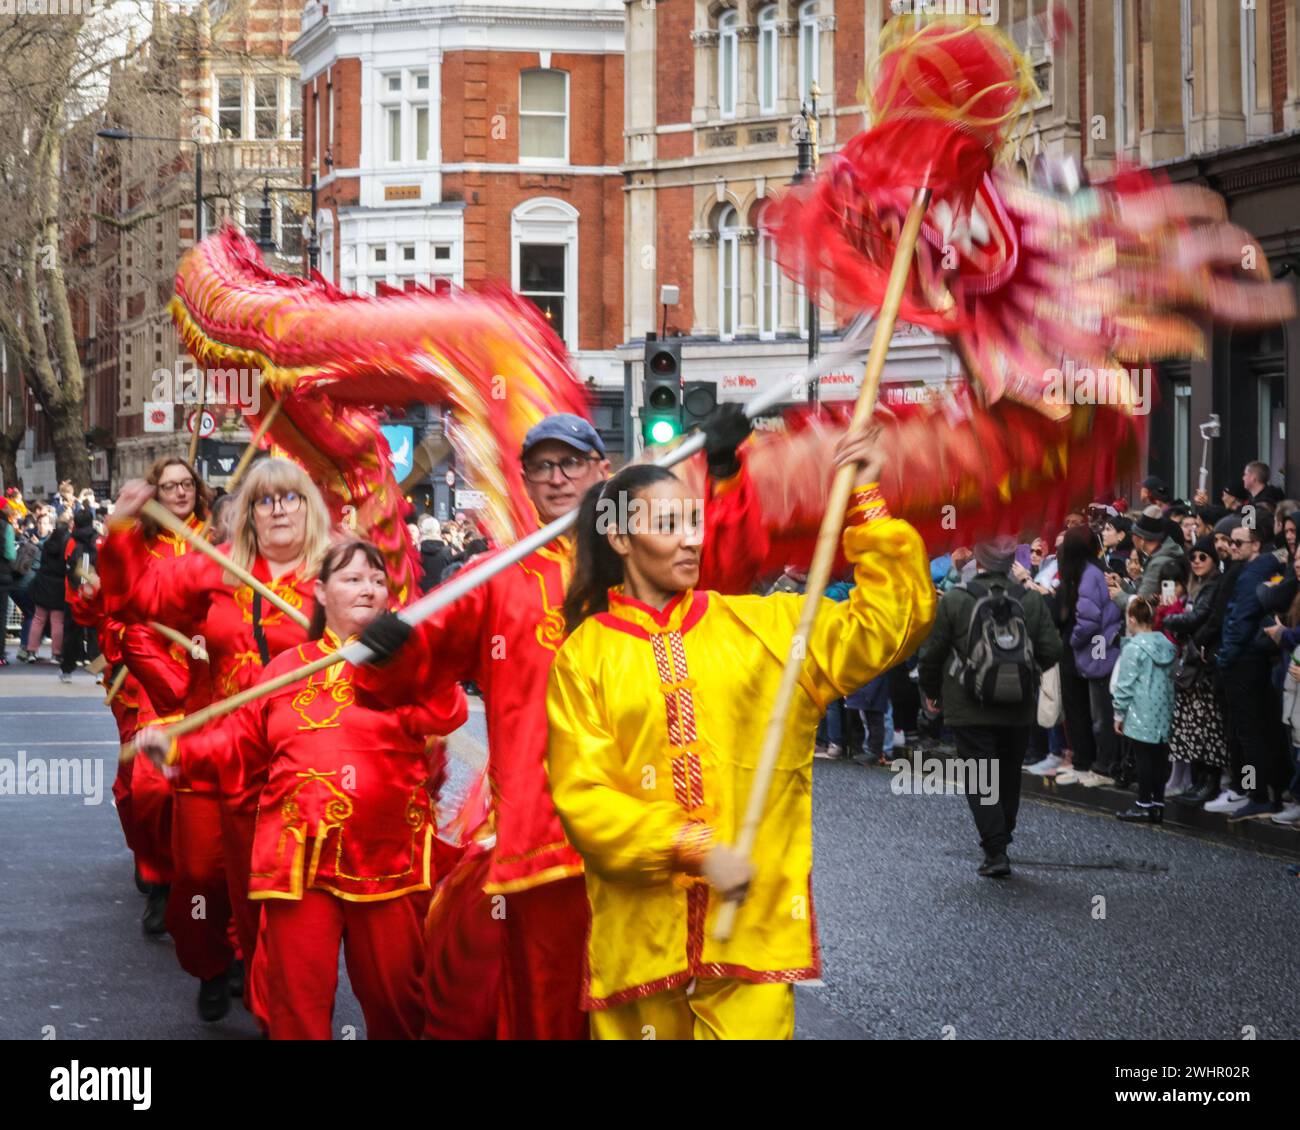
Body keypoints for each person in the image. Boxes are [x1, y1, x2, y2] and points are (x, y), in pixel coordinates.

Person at [354, 408, 771, 1040]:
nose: (556, 477)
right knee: (547, 1013)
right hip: (547, 844)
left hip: (655, 828)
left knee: (653, 1005)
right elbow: (414, 668)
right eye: (541, 466)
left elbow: (727, 563)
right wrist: (389, 646)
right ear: (523, 481)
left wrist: (722, 473)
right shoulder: (492, 579)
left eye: (571, 461)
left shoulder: (646, 556)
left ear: (602, 471)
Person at [543, 431, 932, 1039]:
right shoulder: (583, 657)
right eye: (669, 523)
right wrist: (692, 847)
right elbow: (583, 800)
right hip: (640, 948)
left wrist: (866, 500)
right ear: (620, 538)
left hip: (751, 948)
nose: (693, 537)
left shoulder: (763, 628)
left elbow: (888, 625)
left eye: (693, 521)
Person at [136, 540, 467, 1039]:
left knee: (396, 1000)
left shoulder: (407, 665)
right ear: (320, 591)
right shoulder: (287, 668)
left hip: (387, 857)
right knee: (294, 1003)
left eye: (377, 580)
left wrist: (408, 657)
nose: (368, 588)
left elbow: (449, 710)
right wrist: (177, 751)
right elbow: (238, 743)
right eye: (352, 579)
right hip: (297, 858)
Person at [100, 457, 329, 1022]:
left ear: (310, 507)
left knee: (271, 896)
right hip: (212, 748)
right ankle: (209, 965)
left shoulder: (334, 571)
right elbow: (140, 599)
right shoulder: (219, 569)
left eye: (290, 498)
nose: (278, 510)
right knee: (199, 879)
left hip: (296, 761)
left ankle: (269, 997)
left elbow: (384, 640)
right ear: (247, 515)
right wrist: (123, 530)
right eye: (264, 501)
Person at [918, 535, 1062, 878]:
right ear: (1012, 562)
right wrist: (1026, 669)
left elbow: (932, 653)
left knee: (980, 775)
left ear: (978, 562)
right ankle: (1002, 837)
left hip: (968, 705)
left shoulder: (955, 600)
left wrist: (932, 691)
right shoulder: (1029, 600)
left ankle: (995, 849)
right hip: (1017, 705)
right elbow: (1053, 649)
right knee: (1008, 773)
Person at [1210, 518, 1289, 821]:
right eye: (1231, 542)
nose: (1231, 547)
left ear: (1256, 545)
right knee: (1256, 730)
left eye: (1238, 543)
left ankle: (1256, 794)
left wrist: (1225, 658)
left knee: (1250, 733)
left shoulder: (1252, 572)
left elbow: (1238, 620)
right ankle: (1260, 791)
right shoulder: (1260, 567)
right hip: (1252, 659)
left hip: (1244, 663)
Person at [1054, 527, 1124, 786]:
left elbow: (1088, 619)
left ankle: (1102, 767)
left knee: (1099, 715)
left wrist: (1071, 642)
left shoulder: (1088, 575)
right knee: (1089, 712)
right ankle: (1088, 763)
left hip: (1095, 652)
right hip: (1094, 651)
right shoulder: (1093, 571)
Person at [1111, 597, 1177, 823]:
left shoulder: (1134, 648)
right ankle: (1158, 804)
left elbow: (1125, 685)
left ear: (1132, 618)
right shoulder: (1168, 645)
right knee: (1159, 758)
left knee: (1143, 759)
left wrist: (1118, 714)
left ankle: (1143, 804)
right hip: (1164, 708)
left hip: (1141, 708)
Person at [1106, 508, 1185, 612]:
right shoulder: (1159, 556)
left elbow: (1141, 605)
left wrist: (1119, 596)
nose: (1131, 538)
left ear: (1141, 539)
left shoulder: (1158, 562)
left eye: (1133, 535)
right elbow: (1143, 594)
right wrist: (1122, 583)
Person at [25, 510, 71, 663]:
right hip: (58, 586)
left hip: (43, 583)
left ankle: (31, 651)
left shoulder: (46, 545)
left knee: (38, 619)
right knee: (57, 621)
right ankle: (56, 654)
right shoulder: (65, 546)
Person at [416, 515, 454, 594]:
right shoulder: (448, 552)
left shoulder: (416, 553)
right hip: (442, 596)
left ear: (422, 532)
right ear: (439, 531)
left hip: (421, 598)